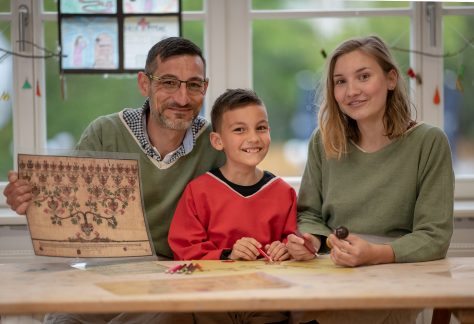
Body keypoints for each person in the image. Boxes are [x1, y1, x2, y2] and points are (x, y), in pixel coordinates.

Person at [3, 37, 225, 324]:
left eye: (193, 85)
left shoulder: (216, 142)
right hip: (104, 271)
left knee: (167, 314)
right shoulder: (104, 132)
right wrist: (27, 199)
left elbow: (245, 196)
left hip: (175, 275)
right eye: (169, 82)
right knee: (63, 319)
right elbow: (68, 205)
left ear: (204, 88)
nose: (182, 98)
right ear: (144, 84)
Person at [287, 35, 454, 324]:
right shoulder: (323, 142)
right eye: (340, 81)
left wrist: (375, 254)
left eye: (363, 76)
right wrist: (311, 241)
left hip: (394, 279)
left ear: (391, 79)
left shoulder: (429, 142)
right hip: (331, 275)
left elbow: (434, 236)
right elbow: (310, 214)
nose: (352, 91)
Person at [168, 88, 296, 324]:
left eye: (261, 128)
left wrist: (286, 249)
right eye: (239, 129)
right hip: (212, 299)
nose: (254, 138)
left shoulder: (283, 192)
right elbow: (184, 250)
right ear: (218, 141)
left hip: (268, 298)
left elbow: (294, 240)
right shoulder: (198, 191)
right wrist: (229, 253)